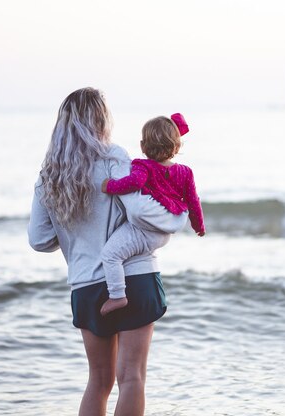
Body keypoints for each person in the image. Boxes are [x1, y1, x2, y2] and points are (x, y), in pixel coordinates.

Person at [28, 87, 184, 416]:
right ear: (100, 119)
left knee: (98, 381)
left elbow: (39, 239)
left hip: (85, 284)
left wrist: (77, 237)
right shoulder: (113, 157)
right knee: (132, 378)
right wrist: (176, 218)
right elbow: (139, 211)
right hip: (134, 276)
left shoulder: (49, 177)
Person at [99, 113, 205, 315]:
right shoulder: (185, 172)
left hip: (143, 231)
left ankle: (117, 296)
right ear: (177, 146)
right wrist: (199, 226)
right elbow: (193, 201)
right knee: (129, 251)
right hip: (163, 235)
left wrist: (110, 186)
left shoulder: (143, 166)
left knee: (111, 255)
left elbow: (133, 183)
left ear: (142, 145)